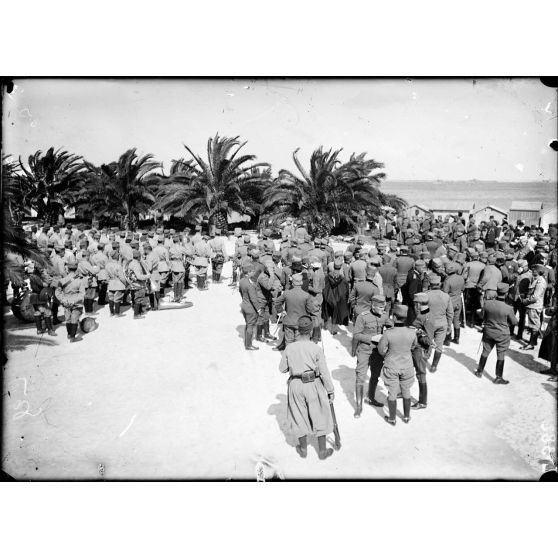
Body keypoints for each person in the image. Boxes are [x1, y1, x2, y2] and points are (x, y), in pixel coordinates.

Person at [279, 315, 335, 460]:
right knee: (320, 414)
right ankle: (322, 451)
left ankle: (303, 449)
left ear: (298, 330)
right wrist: (330, 390)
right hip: (313, 384)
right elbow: (324, 372)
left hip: (295, 384)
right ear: (310, 331)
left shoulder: (289, 348)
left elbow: (282, 369)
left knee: (298, 416)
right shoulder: (316, 348)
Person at [377, 305, 418, 425]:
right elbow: (413, 346)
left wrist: (387, 356)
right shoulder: (412, 332)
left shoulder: (388, 333)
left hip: (391, 366)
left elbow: (381, 349)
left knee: (392, 393)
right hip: (407, 366)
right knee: (406, 390)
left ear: (394, 317)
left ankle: (392, 418)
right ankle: (406, 417)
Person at [353, 294, 391, 415]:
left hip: (377, 352)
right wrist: (372, 338)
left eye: (383, 307)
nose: (383, 310)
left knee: (375, 375)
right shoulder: (362, 317)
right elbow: (356, 335)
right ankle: (359, 407)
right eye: (380, 308)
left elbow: (391, 326)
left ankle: (371, 398)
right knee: (360, 376)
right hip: (364, 350)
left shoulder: (384, 316)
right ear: (373, 306)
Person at [475, 283, 518, 384]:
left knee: (485, 351)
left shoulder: (487, 303)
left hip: (488, 332)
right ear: (506, 293)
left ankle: (479, 371)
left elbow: (482, 316)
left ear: (497, 292)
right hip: (502, 334)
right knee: (501, 354)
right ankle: (498, 377)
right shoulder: (508, 308)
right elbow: (514, 322)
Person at [55, 257, 87, 342]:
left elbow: (57, 292)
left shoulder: (62, 280)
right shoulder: (80, 281)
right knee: (74, 319)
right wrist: (74, 301)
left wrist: (63, 300)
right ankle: (73, 337)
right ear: (76, 268)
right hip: (76, 303)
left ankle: (69, 334)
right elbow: (82, 293)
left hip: (66, 302)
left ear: (67, 268)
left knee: (68, 319)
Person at [426, 274, 453, 372]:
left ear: (430, 284)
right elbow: (450, 312)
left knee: (427, 342)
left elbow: (420, 310)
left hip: (429, 323)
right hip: (442, 323)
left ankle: (424, 359)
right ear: (440, 283)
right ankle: (434, 366)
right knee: (439, 345)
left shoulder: (426, 295)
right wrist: (449, 325)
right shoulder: (446, 296)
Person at [411, 293, 433, 409]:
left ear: (419, 304)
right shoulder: (425, 314)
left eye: (416, 303)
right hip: (416, 349)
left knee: (421, 374)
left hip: (420, 350)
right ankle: (404, 391)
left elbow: (428, 340)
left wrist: (417, 331)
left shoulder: (426, 317)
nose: (415, 306)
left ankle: (422, 401)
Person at [521, 264, 547, 350]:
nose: (533, 271)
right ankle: (532, 342)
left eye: (535, 270)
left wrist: (526, 301)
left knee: (534, 325)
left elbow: (535, 297)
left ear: (539, 271)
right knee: (533, 324)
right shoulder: (536, 279)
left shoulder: (540, 281)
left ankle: (531, 344)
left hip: (535, 306)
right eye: (532, 269)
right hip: (533, 305)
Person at [238, 263, 260, 351]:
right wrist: (258, 309)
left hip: (244, 305)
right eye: (252, 271)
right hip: (250, 308)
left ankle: (247, 342)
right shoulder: (250, 285)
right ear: (248, 272)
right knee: (250, 326)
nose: (253, 273)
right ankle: (248, 345)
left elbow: (240, 292)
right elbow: (254, 299)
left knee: (248, 324)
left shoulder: (242, 281)